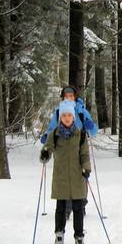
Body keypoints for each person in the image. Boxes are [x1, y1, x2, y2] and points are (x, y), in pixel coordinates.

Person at [40, 100, 91, 244]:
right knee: (60, 208)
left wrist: (86, 168)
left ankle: (79, 237)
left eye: (70, 115)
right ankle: (59, 235)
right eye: (64, 115)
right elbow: (47, 149)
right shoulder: (54, 134)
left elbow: (85, 155)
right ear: (60, 117)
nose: (67, 118)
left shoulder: (80, 135)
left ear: (74, 117)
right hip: (61, 177)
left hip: (77, 177)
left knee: (78, 209)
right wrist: (44, 154)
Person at [40, 85, 97, 218]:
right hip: (63, 147)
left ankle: (81, 204)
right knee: (65, 177)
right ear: (63, 97)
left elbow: (93, 131)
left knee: (80, 178)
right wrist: (46, 135)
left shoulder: (82, 111)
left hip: (78, 146)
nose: (69, 98)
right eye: (67, 96)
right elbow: (53, 127)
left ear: (75, 97)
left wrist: (91, 126)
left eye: (71, 96)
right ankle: (66, 207)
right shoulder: (60, 111)